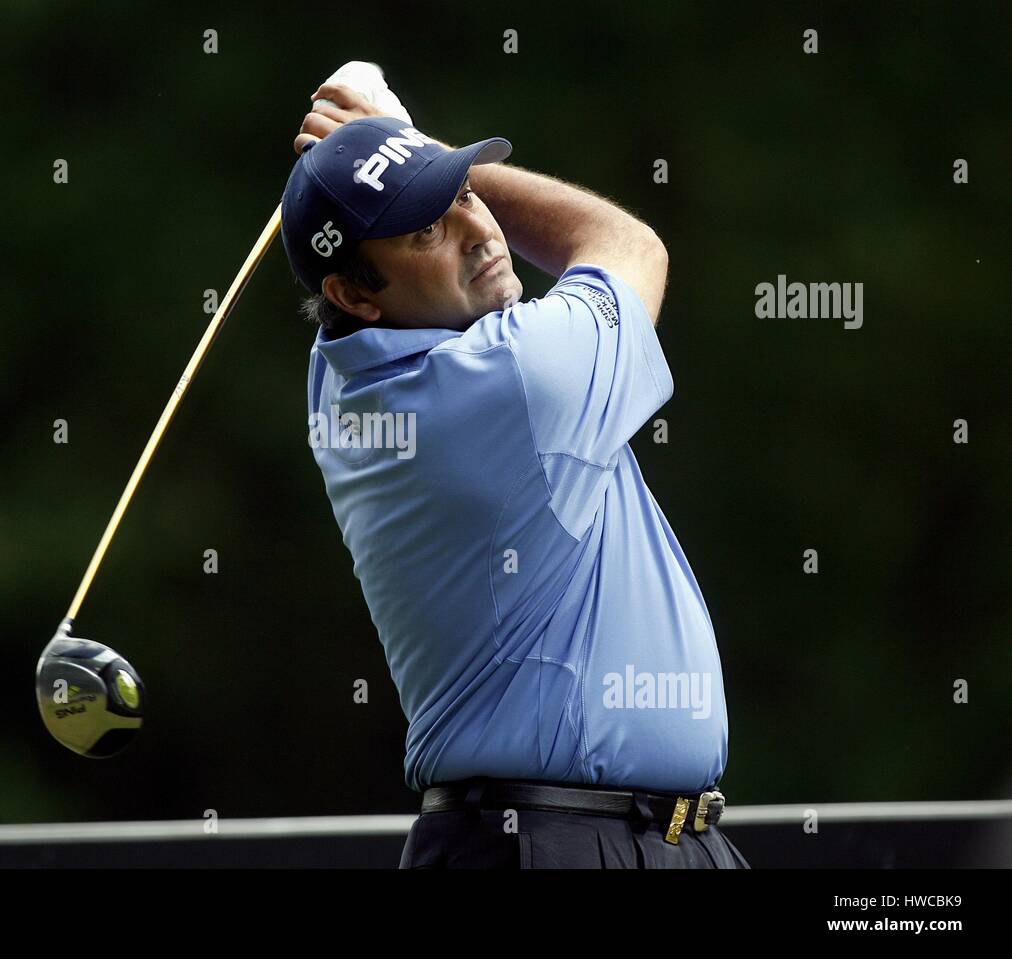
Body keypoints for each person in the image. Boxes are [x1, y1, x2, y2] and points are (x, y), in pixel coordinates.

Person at [282, 80, 749, 869]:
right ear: (354, 292)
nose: (478, 230)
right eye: (427, 228)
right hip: (551, 842)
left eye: (465, 192)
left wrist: (401, 162)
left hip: (611, 835)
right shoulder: (516, 378)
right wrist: (414, 138)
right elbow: (629, 244)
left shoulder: (341, 377)